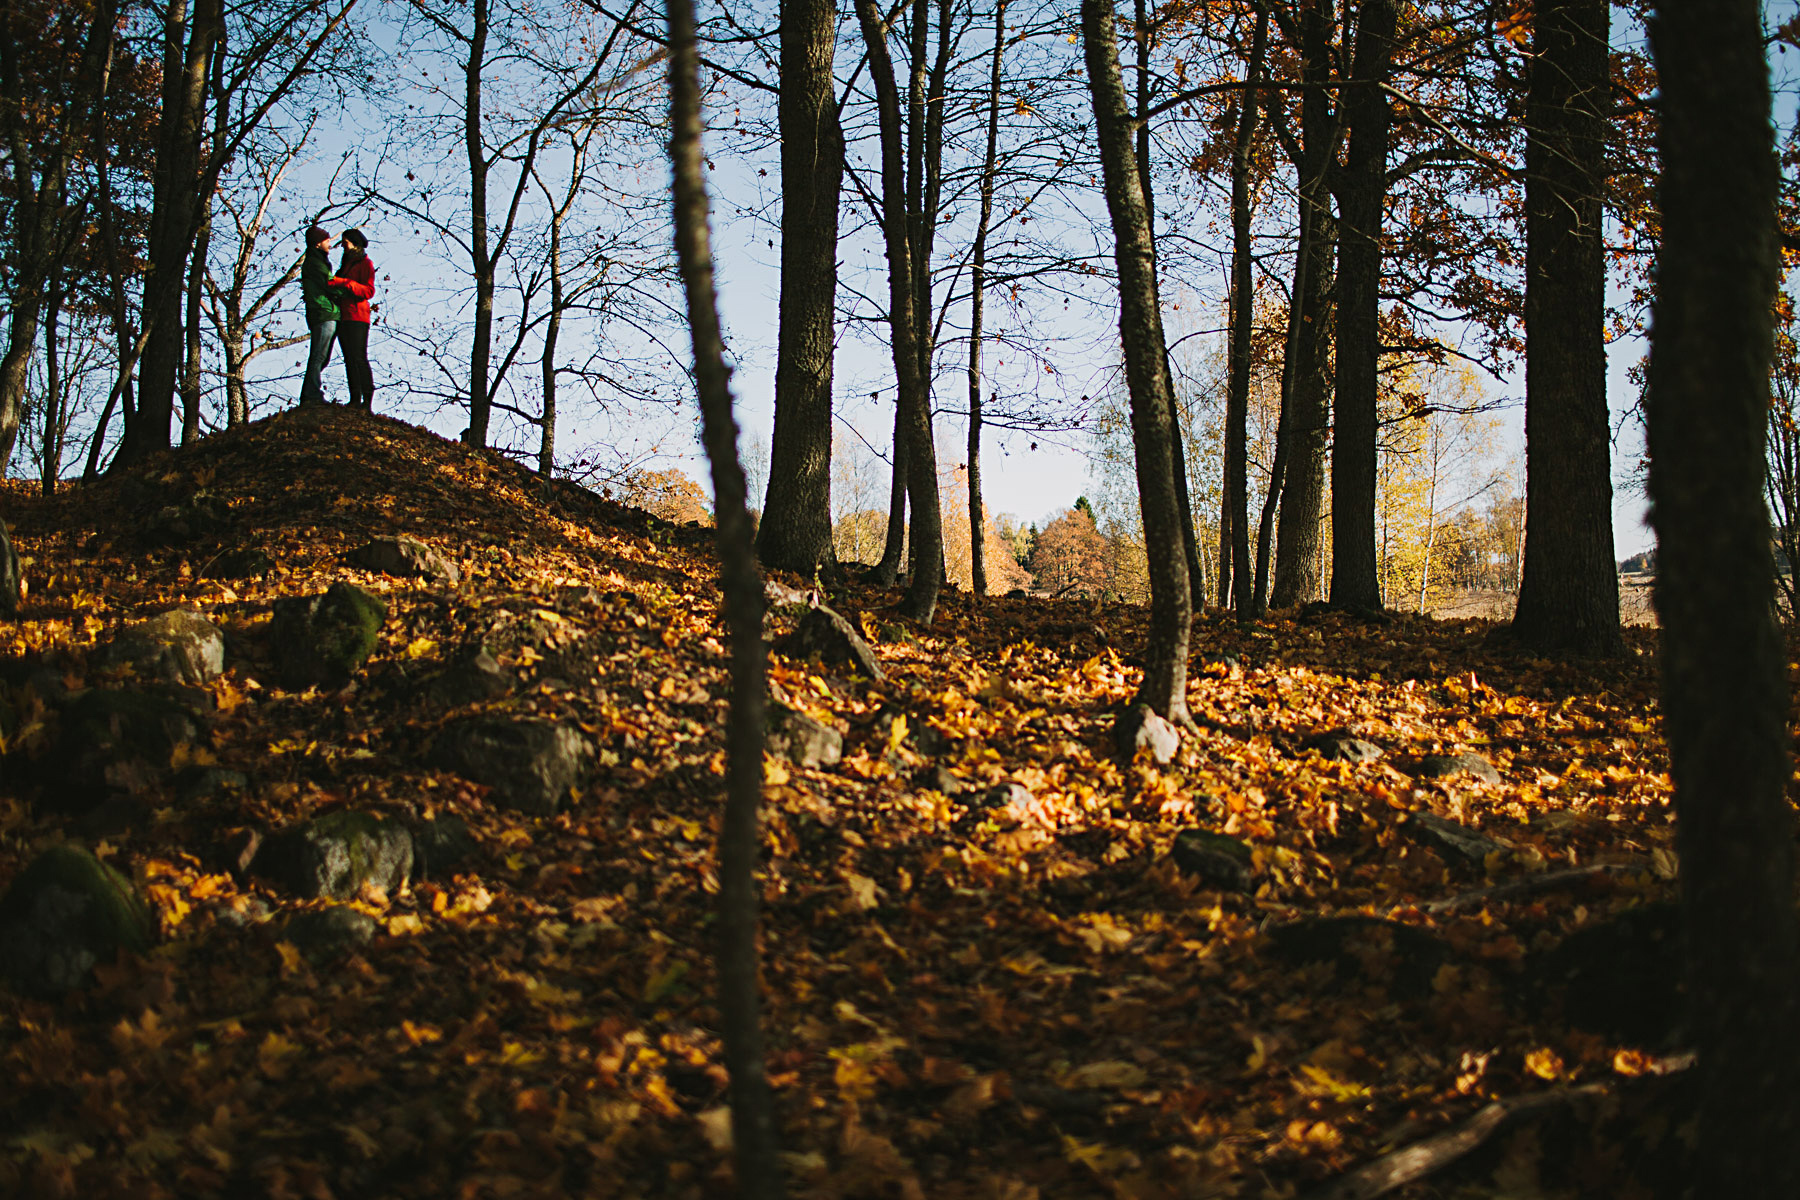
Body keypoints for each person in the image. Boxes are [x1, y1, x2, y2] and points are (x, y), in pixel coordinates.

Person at [330, 228, 378, 410]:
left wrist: (346, 284)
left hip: (358, 317)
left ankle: (367, 400)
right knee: (349, 358)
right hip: (343, 316)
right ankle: (354, 399)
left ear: (355, 243)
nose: (343, 246)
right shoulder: (346, 264)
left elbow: (368, 291)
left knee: (359, 357)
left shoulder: (365, 263)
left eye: (346, 242)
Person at [298, 225, 340, 405]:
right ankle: (311, 394)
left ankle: (311, 392)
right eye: (326, 240)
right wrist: (347, 290)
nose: (329, 243)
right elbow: (329, 283)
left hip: (326, 312)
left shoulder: (317, 261)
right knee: (318, 356)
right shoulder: (315, 263)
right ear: (317, 244)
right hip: (323, 312)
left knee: (321, 356)